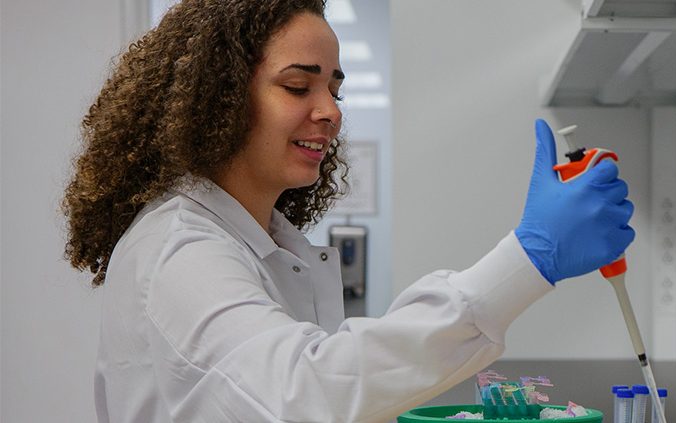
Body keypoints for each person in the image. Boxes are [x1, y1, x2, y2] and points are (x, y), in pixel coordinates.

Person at [60, 1, 635, 421]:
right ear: (219, 96)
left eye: (334, 88)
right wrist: (526, 259)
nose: (330, 112)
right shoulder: (181, 251)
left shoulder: (260, 240)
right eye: (297, 86)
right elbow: (306, 394)